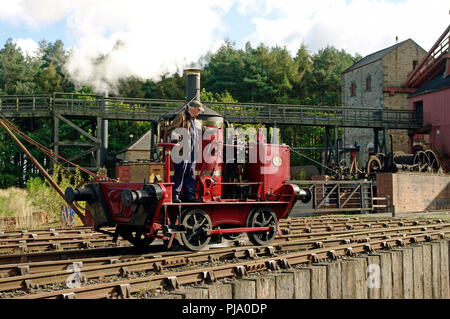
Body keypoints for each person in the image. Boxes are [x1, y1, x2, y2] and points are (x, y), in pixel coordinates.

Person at [167, 100, 205, 202]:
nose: (199, 112)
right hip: (182, 150)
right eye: (198, 110)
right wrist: (177, 135)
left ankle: (188, 195)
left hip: (192, 150)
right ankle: (175, 194)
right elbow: (170, 130)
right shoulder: (181, 116)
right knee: (180, 171)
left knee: (190, 172)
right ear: (193, 109)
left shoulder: (193, 120)